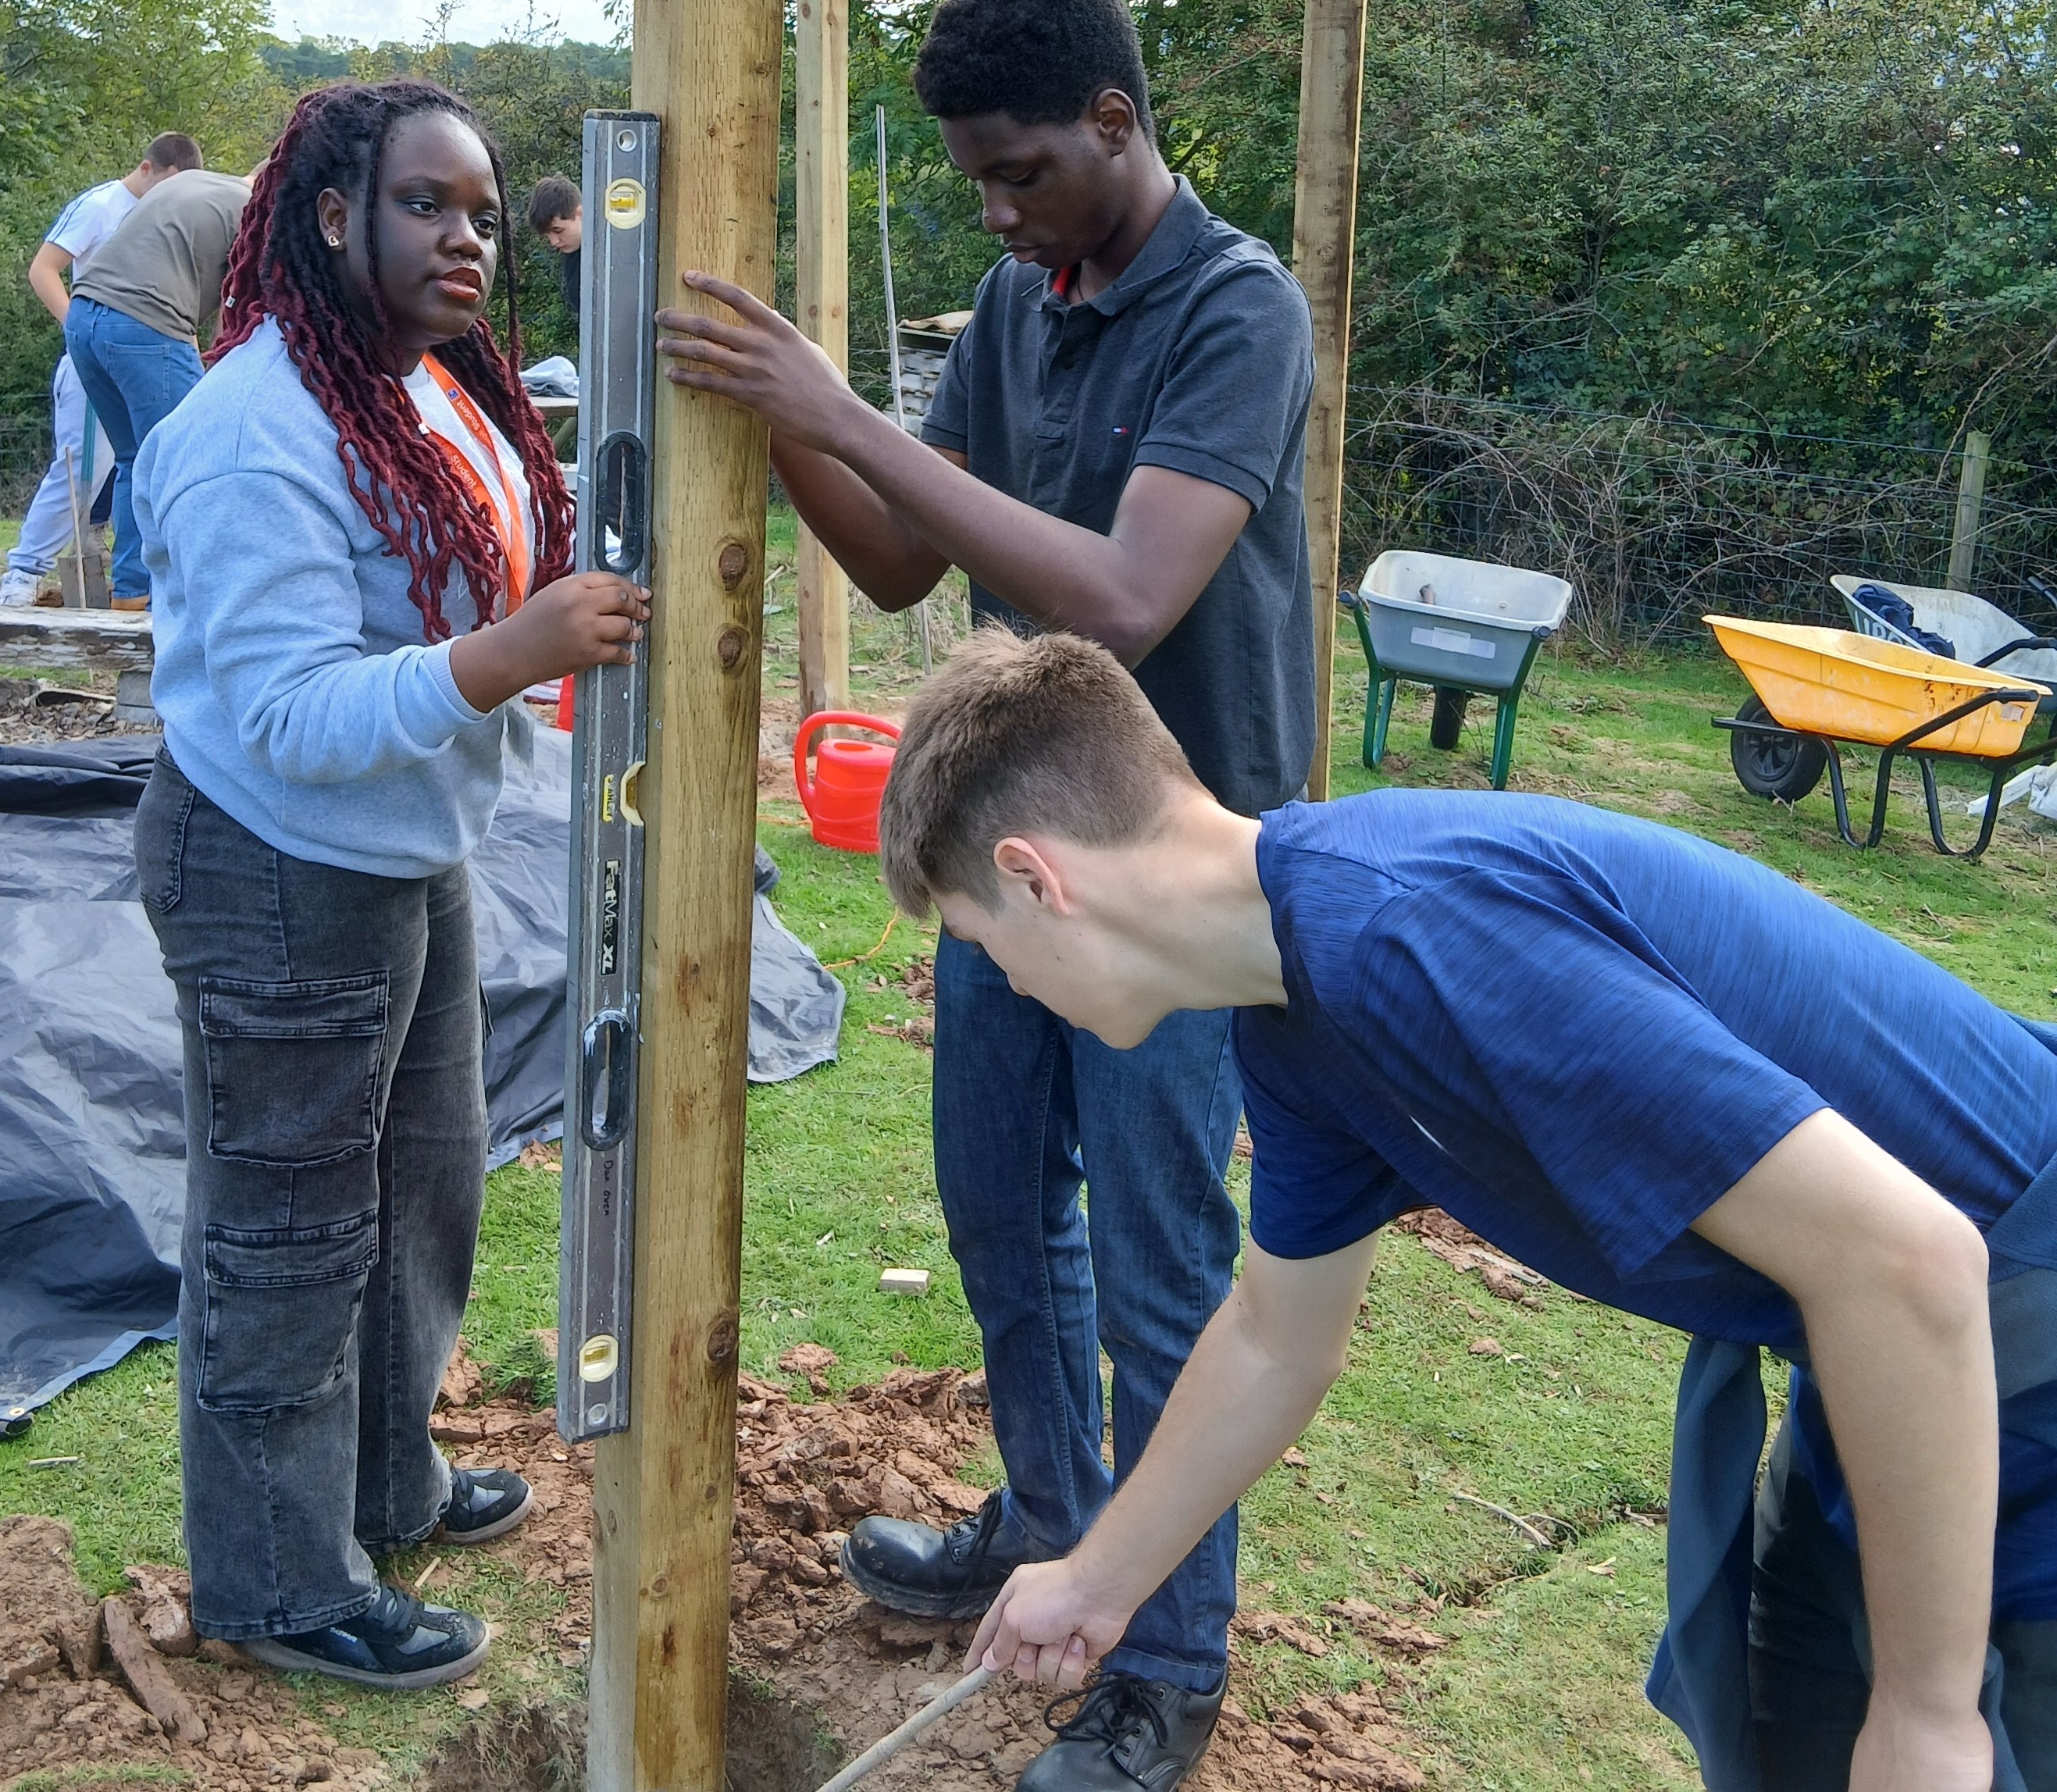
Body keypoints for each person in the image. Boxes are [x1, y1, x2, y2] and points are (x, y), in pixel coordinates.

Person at [876, 628, 2057, 1792]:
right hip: (1891, 1349)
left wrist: (1929, 1711)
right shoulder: (1294, 1011)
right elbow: (1279, 1337)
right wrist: (1099, 1577)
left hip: (2006, 1323)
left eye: (984, 943)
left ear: (1040, 878)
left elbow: (1911, 1262)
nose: (1008, 984)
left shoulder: (1410, 934)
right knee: (1790, 1724)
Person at [656, 1, 1314, 1781]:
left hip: (1179, 888)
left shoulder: (1234, 309)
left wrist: (844, 404)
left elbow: (1118, 595)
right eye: (976, 188)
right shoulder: (1024, 308)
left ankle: (1165, 1669)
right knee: (998, 1204)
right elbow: (892, 559)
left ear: (1115, 119)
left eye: (1021, 174)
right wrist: (766, 411)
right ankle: (1042, 1516)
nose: (1000, 216)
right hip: (1010, 875)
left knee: (1171, 1273)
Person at [130, 77, 647, 1692]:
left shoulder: (427, 390)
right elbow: (287, 710)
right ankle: (277, 1580)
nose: (469, 238)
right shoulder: (252, 432)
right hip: (276, 866)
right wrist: (510, 655)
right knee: (289, 1227)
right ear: (337, 212)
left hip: (404, 853)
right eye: (430, 204)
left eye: (484, 211)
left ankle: (379, 1482)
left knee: (422, 1187)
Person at [0, 134, 201, 607]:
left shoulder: (170, 216)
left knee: (142, 463)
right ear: (148, 168)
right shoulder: (101, 205)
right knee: (82, 470)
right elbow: (43, 269)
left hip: (150, 356)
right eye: (170, 184)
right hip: (94, 353)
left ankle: (131, 576)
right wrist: (81, 332)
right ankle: (24, 570)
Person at [66, 158, 253, 609]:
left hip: (83, 317)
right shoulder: (255, 213)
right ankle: (195, 595)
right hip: (144, 325)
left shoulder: (193, 182)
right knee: (190, 461)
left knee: (136, 459)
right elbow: (248, 315)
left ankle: (132, 594)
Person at [527, 174, 581, 338]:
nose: (554, 242)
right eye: (548, 235)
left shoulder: (609, 254)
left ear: (580, 213)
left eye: (558, 231)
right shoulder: (572, 254)